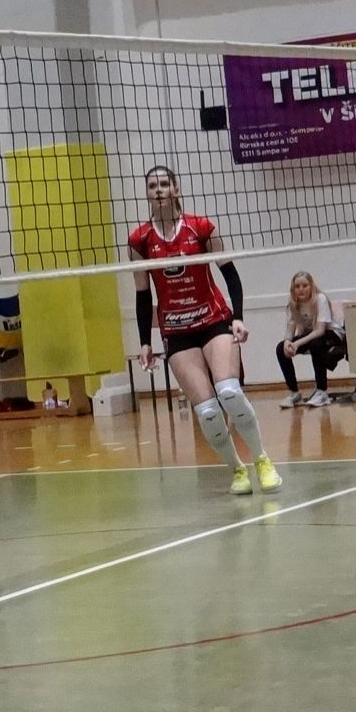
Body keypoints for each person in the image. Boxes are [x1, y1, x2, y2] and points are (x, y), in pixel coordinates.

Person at [130, 165, 281, 495]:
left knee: (229, 392)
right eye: (152, 186)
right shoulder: (139, 239)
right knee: (208, 411)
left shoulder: (201, 228)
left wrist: (237, 318)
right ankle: (237, 469)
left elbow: (230, 274)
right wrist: (145, 341)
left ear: (176, 189)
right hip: (176, 331)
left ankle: (261, 459)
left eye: (164, 184)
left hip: (213, 321)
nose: (159, 190)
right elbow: (142, 294)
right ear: (147, 194)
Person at [275, 272, 344, 408]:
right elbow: (290, 328)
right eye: (297, 286)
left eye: (305, 286)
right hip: (310, 335)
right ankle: (294, 392)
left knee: (316, 344)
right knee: (281, 349)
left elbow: (320, 330)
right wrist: (288, 342)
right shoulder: (293, 303)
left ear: (311, 286)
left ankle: (322, 391)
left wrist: (297, 343)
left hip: (332, 333)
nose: (301, 289)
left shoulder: (320, 299)